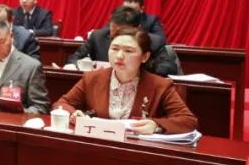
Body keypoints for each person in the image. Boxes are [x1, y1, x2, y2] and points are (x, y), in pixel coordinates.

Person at [54, 28, 197, 134]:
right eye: (114, 49)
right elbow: (62, 104)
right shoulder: (92, 78)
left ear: (145, 57)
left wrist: (156, 125)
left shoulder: (159, 85)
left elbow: (188, 120)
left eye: (128, 51)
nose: (119, 56)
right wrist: (74, 114)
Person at [67, 7, 179, 76]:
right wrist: (81, 66)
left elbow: (169, 67)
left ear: (137, 28)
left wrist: (136, 70)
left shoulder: (153, 41)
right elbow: (74, 58)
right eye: (113, 29)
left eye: (122, 31)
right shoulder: (98, 36)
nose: (116, 35)